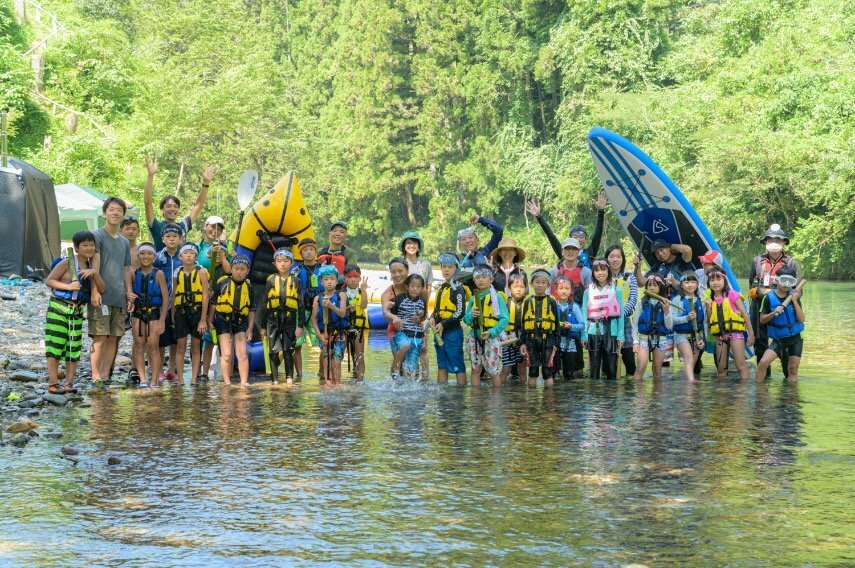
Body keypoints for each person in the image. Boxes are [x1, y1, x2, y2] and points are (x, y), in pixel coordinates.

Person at [44, 231, 105, 394]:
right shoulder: (66, 263)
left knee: (73, 347)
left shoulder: (91, 266)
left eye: (92, 244)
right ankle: (53, 383)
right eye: (85, 245)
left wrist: (95, 273)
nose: (89, 248)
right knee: (55, 345)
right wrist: (68, 286)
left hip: (77, 311)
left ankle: (69, 383)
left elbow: (102, 288)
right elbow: (48, 280)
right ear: (77, 247)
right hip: (59, 307)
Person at [89, 197, 134, 391]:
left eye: (119, 211)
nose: (115, 213)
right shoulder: (97, 236)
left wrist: (129, 293)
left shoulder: (124, 242)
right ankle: (95, 376)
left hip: (119, 297)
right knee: (100, 335)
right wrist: (94, 291)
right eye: (112, 210)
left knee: (114, 336)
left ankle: (106, 375)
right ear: (104, 212)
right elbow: (94, 266)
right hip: (102, 296)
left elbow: (126, 269)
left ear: (123, 215)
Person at [748, 224, 802, 378]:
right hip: (760, 307)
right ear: (765, 242)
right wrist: (761, 293)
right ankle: (764, 381)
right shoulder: (757, 261)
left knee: (785, 344)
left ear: (784, 242)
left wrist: (777, 294)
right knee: (760, 344)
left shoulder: (791, 263)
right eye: (770, 239)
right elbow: (752, 283)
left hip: (785, 308)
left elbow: (798, 290)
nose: (774, 243)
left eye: (778, 240)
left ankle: (787, 383)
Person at [143, 158, 216, 250]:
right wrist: (150, 176)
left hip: (182, 264)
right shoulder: (156, 226)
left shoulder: (183, 226)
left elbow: (198, 206)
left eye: (175, 207)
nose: (172, 209)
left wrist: (206, 183)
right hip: (161, 264)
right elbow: (147, 203)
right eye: (168, 206)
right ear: (162, 209)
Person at [257, 248, 304, 385]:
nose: (282, 264)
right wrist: (262, 326)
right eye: (279, 261)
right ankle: (275, 380)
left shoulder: (296, 281)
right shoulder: (271, 280)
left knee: (288, 350)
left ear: (292, 263)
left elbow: (300, 305)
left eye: (285, 261)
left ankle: (289, 379)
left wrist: (299, 326)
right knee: (273, 351)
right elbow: (265, 303)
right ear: (275, 264)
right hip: (273, 318)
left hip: (290, 318)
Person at [524, 193, 607, 269]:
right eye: (575, 237)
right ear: (569, 239)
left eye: (581, 237)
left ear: (585, 239)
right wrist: (538, 216)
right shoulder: (564, 252)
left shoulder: (590, 252)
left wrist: (601, 211)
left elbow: (598, 233)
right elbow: (551, 236)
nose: (578, 239)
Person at [210, 255, 256, 385]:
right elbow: (213, 304)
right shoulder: (222, 283)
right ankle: (227, 382)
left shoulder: (249, 287)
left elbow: (252, 309)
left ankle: (244, 382)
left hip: (241, 321)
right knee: (226, 354)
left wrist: (250, 328)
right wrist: (209, 320)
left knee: (242, 354)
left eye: (242, 269)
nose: (239, 272)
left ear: (247, 271)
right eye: (236, 268)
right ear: (231, 269)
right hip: (223, 320)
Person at [462, 265, 510, 387]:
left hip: (491, 336)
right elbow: (466, 321)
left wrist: (492, 332)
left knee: (493, 370)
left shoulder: (497, 297)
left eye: (484, 277)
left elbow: (505, 319)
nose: (481, 280)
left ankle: (495, 402)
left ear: (491, 280)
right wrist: (471, 315)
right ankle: (476, 401)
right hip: (474, 337)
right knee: (475, 369)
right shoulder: (473, 299)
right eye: (477, 277)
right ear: (474, 280)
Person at [197, 215, 231, 382]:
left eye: (219, 229)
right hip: (206, 298)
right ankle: (203, 372)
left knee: (225, 339)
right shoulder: (198, 247)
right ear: (205, 226)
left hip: (223, 301)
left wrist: (222, 255)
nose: (215, 231)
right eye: (212, 227)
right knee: (207, 341)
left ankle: (227, 373)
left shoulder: (226, 248)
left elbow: (230, 270)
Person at [129, 243, 168, 388]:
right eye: (143, 253)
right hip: (138, 313)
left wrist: (162, 321)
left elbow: (165, 299)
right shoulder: (134, 273)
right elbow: (129, 290)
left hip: (154, 313)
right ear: (138, 256)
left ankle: (154, 380)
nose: (146, 256)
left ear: (154, 256)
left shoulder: (159, 274)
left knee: (153, 347)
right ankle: (143, 379)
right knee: (139, 346)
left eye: (149, 254)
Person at [706, 267, 754, 380]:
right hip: (720, 337)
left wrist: (751, 334)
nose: (715, 282)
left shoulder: (732, 294)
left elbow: (745, 314)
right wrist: (708, 308)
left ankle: (742, 394)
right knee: (721, 368)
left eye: (718, 279)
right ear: (708, 282)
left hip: (735, 334)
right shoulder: (709, 299)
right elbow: (710, 322)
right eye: (712, 280)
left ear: (724, 280)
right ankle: (722, 395)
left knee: (740, 365)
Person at [171, 243, 210, 385]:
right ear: (180, 256)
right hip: (181, 311)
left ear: (196, 256)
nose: (188, 255)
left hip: (197, 311)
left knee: (195, 346)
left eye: (191, 253)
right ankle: (180, 379)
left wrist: (203, 319)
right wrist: (173, 315)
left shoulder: (201, 271)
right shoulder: (177, 272)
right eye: (185, 253)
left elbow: (205, 295)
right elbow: (175, 294)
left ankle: (194, 378)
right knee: (181, 346)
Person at [756, 273, 804, 381]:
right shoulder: (767, 298)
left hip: (795, 338)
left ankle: (791, 395)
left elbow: (801, 319)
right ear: (776, 281)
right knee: (763, 363)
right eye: (783, 280)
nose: (786, 284)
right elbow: (762, 320)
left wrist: (795, 301)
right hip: (779, 339)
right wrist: (773, 313)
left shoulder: (794, 297)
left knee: (792, 369)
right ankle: (759, 393)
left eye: (790, 281)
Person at [582, 259, 625, 380]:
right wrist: (584, 335)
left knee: (611, 370)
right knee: (594, 370)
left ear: (608, 270)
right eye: (597, 270)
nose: (600, 273)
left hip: (611, 331)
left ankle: (611, 396)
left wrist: (621, 336)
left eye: (603, 269)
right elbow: (584, 314)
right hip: (593, 331)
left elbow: (621, 315)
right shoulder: (587, 291)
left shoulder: (617, 291)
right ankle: (595, 396)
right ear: (593, 273)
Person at [429, 253, 468, 386]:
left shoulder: (458, 289)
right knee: (441, 363)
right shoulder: (441, 287)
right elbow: (437, 309)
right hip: (439, 332)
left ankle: (460, 393)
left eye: (450, 267)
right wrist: (432, 318)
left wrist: (444, 324)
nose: (446, 270)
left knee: (457, 362)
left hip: (453, 332)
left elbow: (460, 312)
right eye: (444, 267)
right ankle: (442, 394)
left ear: (456, 269)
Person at [400, 230, 433, 377]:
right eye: (408, 242)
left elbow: (428, 289)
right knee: (403, 346)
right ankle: (403, 376)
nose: (411, 245)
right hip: (403, 311)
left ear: (419, 246)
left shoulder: (425, 264)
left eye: (414, 242)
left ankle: (425, 378)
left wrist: (424, 313)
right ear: (404, 246)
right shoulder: (400, 263)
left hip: (421, 310)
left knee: (423, 346)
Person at [519, 269, 560, 387]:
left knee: (547, 371)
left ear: (548, 285)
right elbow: (523, 324)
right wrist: (522, 343)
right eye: (537, 282)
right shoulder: (527, 301)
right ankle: (532, 402)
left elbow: (556, 324)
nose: (540, 285)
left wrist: (556, 343)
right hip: (531, 339)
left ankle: (549, 402)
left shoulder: (552, 302)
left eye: (543, 282)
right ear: (531, 284)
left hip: (548, 339)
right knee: (532, 370)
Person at [153, 223, 183, 381]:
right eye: (168, 237)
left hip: (179, 304)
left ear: (180, 239)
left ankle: (172, 369)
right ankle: (158, 370)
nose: (172, 239)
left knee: (175, 339)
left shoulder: (183, 257)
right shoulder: (157, 258)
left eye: (175, 237)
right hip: (162, 305)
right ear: (163, 239)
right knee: (161, 340)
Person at [605, 245, 639, 377]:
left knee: (629, 359)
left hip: (624, 321)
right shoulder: (602, 277)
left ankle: (629, 393)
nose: (615, 260)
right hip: (606, 322)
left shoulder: (630, 277)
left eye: (618, 257)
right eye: (611, 256)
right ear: (606, 259)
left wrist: (621, 313)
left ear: (623, 259)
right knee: (609, 360)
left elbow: (633, 298)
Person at [311, 265, 348, 386]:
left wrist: (331, 306)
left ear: (337, 281)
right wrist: (321, 338)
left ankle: (337, 383)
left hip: (339, 334)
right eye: (326, 279)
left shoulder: (341, 295)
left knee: (336, 360)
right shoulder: (317, 298)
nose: (329, 282)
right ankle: (327, 383)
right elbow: (314, 320)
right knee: (326, 359)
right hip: (325, 334)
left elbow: (342, 313)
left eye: (332, 279)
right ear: (321, 282)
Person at [632, 274, 673, 380]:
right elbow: (635, 324)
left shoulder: (666, 303)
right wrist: (635, 341)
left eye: (655, 285)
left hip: (661, 339)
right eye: (649, 285)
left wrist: (666, 311)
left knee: (657, 371)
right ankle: (638, 396)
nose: (651, 288)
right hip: (644, 339)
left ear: (660, 287)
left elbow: (669, 326)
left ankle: (657, 395)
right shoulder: (641, 303)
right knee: (640, 369)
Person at [388, 274, 427, 381]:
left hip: (416, 336)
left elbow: (423, 317)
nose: (415, 289)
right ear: (407, 286)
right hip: (402, 333)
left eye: (418, 286)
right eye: (412, 286)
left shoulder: (422, 301)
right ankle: (396, 365)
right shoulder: (400, 298)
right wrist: (390, 307)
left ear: (422, 288)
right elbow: (392, 315)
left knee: (411, 368)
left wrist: (421, 315)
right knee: (405, 345)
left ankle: (409, 387)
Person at [294, 237, 321, 381]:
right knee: (297, 345)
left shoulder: (322, 269)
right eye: (305, 250)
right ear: (301, 253)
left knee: (321, 342)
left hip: (317, 310)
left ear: (315, 251)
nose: (309, 253)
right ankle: (299, 376)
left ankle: (322, 374)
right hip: (301, 309)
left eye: (311, 250)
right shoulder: (297, 271)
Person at [670, 271, 705, 382]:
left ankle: (686, 385)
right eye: (687, 282)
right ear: (681, 285)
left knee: (692, 362)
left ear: (697, 284)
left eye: (693, 282)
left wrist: (701, 338)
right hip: (681, 335)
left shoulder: (701, 300)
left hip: (696, 335)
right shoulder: (677, 300)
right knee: (688, 358)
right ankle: (691, 383)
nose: (690, 285)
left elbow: (703, 322)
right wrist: (686, 318)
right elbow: (672, 320)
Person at [456, 214, 504, 290]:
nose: (468, 241)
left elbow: (499, 231)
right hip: (468, 298)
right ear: (460, 244)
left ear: (477, 239)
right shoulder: (457, 260)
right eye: (464, 239)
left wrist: (481, 220)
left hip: (488, 296)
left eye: (470, 237)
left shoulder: (487, 251)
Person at [553, 275, 585, 381]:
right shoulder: (552, 305)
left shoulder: (574, 307)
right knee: (554, 372)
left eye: (567, 289)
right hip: (555, 343)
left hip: (570, 343)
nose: (564, 291)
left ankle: (569, 394)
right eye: (561, 288)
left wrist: (571, 326)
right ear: (556, 290)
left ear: (571, 291)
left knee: (569, 373)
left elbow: (582, 325)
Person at [499, 272, 528, 384]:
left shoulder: (529, 302)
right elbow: (499, 321)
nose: (519, 289)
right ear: (509, 288)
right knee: (506, 368)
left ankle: (522, 393)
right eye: (515, 287)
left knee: (522, 368)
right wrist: (503, 336)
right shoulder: (506, 303)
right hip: (507, 338)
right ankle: (498, 392)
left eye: (521, 287)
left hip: (523, 339)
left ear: (525, 288)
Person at [343, 265, 369, 383]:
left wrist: (363, 291)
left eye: (355, 277)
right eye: (349, 277)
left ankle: (360, 380)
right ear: (344, 278)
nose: (353, 279)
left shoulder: (361, 292)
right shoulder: (341, 293)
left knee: (359, 355)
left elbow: (363, 305)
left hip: (358, 328)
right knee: (338, 353)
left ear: (359, 278)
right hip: (343, 328)